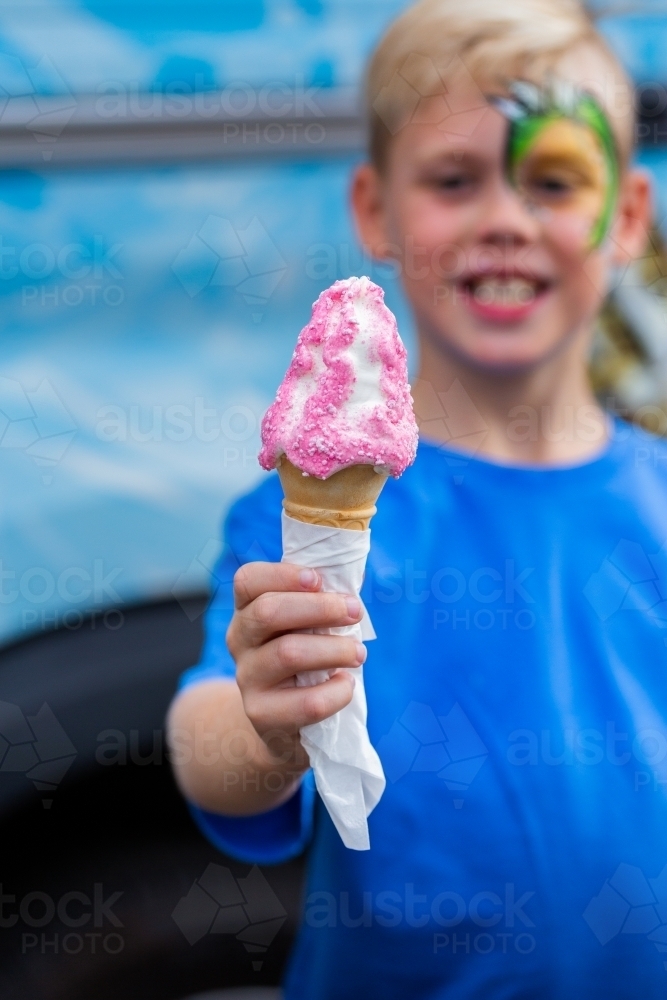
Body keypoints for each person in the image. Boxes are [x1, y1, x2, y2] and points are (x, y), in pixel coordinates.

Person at [167, 1, 666, 995]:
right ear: (375, 210)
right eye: (452, 179)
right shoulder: (298, 520)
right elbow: (204, 733)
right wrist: (268, 730)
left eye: (554, 179)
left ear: (624, 219)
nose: (503, 218)